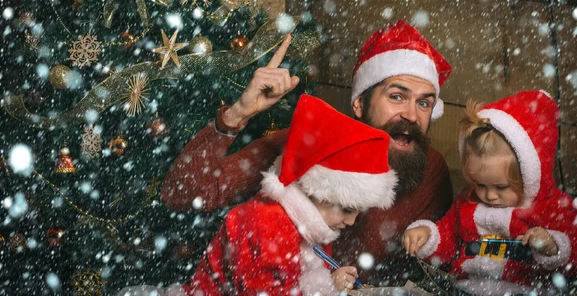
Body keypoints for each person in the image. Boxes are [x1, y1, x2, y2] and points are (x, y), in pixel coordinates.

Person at [161, 19, 454, 283]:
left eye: (424, 103)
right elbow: (182, 194)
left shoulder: (430, 169)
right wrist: (238, 114)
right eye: (397, 96)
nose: (412, 115)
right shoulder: (309, 145)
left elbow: (442, 261)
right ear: (359, 104)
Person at [120, 95, 398, 295]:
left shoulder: (313, 223)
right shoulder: (266, 222)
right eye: (347, 210)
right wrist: (328, 289)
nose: (350, 222)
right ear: (315, 189)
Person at [402, 90, 577, 295]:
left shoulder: (553, 206)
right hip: (466, 288)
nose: (489, 195)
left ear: (530, 175)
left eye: (501, 187)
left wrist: (554, 247)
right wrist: (428, 235)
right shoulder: (468, 201)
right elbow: (447, 236)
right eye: (479, 184)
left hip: (525, 290)